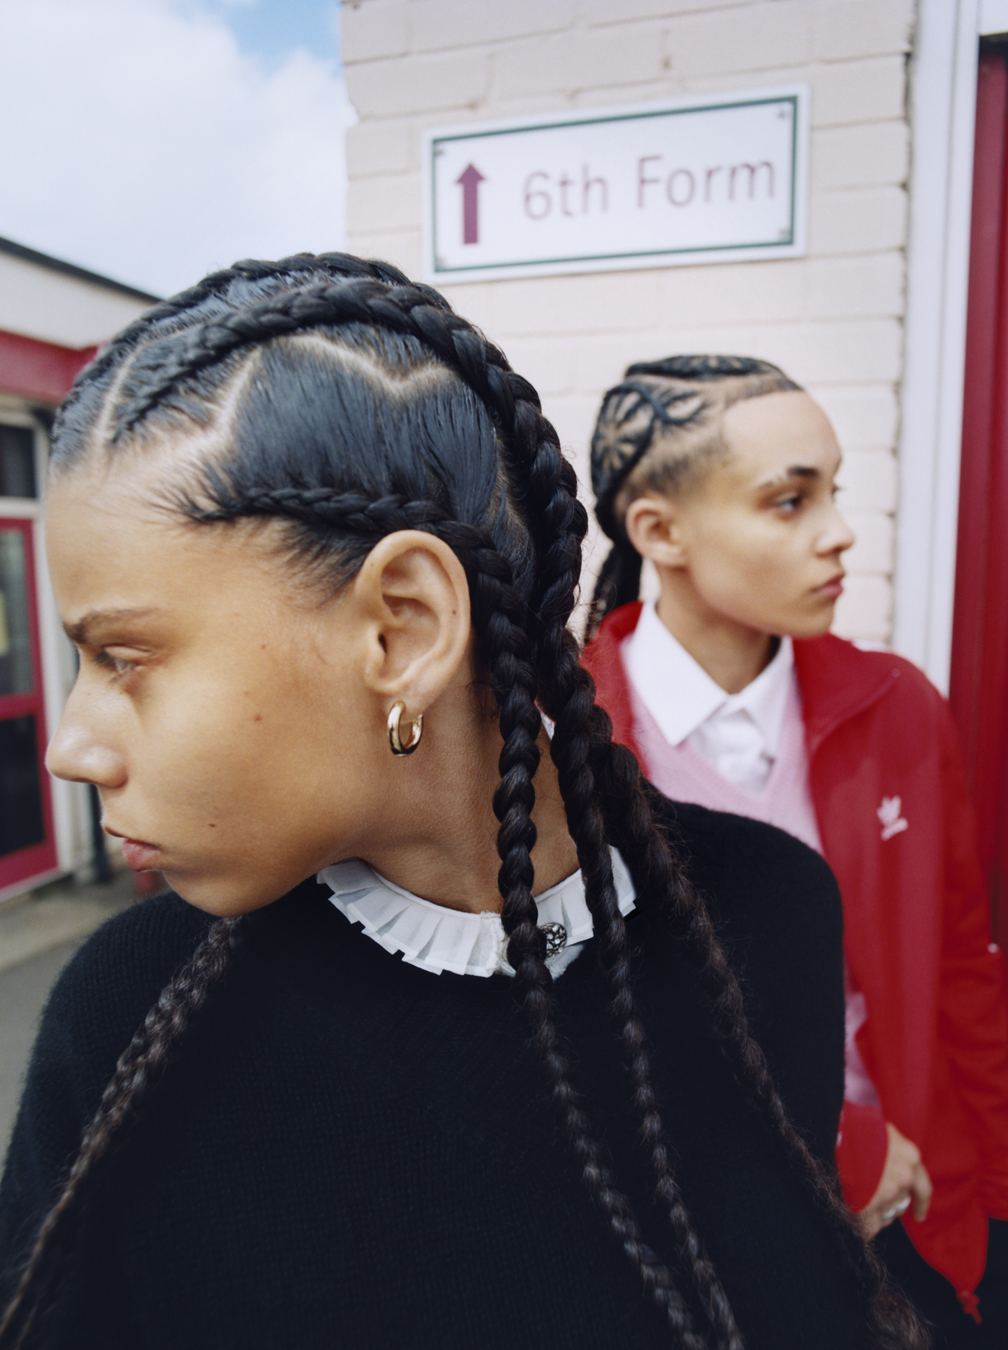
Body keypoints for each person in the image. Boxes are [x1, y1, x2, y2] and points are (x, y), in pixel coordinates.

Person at [0, 262, 922, 1350]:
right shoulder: (130, 1015)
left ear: (402, 629)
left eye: (122, 656)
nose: (70, 749)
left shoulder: (768, 914)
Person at [581, 354, 1008, 1348]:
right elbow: (594, 1032)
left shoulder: (898, 708)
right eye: (789, 501)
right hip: (698, 1234)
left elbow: (960, 971)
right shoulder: (573, 747)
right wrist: (841, 1144)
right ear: (659, 530)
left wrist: (992, 1195)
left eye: (835, 491)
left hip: (921, 1217)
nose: (839, 532)